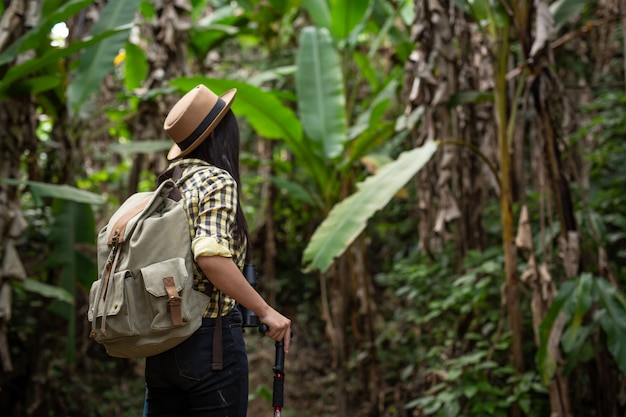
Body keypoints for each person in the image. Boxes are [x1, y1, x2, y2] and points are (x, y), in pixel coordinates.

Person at [144, 84, 292, 417]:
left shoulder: (170, 181)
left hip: (163, 342)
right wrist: (266, 311)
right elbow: (210, 255)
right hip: (210, 344)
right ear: (221, 134)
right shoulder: (216, 180)